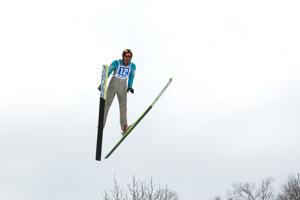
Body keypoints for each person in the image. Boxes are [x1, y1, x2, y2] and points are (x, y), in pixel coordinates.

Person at [99, 49, 136, 135]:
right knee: (107, 104)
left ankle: (124, 127)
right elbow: (108, 72)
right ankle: (102, 123)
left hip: (123, 86)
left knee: (123, 106)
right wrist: (103, 83)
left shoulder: (132, 66)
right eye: (126, 56)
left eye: (129, 57)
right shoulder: (116, 63)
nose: (128, 58)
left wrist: (130, 86)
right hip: (113, 84)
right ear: (123, 56)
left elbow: (132, 76)